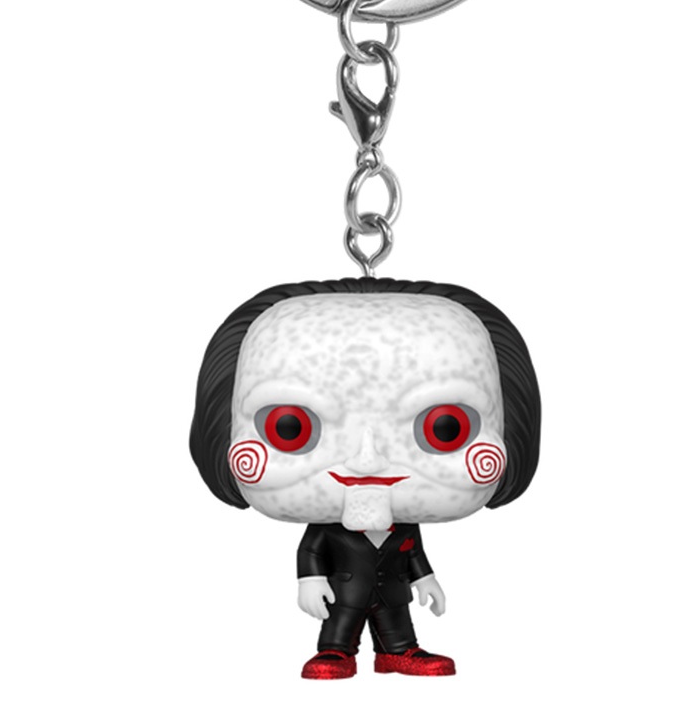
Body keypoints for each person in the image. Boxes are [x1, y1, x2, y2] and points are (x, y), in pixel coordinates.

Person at [191, 278, 541, 679]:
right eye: (291, 428)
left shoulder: (403, 524)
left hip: (392, 592)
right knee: (340, 622)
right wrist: (309, 580)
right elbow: (311, 551)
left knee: (397, 622)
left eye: (444, 428)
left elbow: (412, 553)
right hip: (345, 591)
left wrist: (426, 579)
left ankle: (399, 651)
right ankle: (335, 651)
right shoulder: (328, 529)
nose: (367, 460)